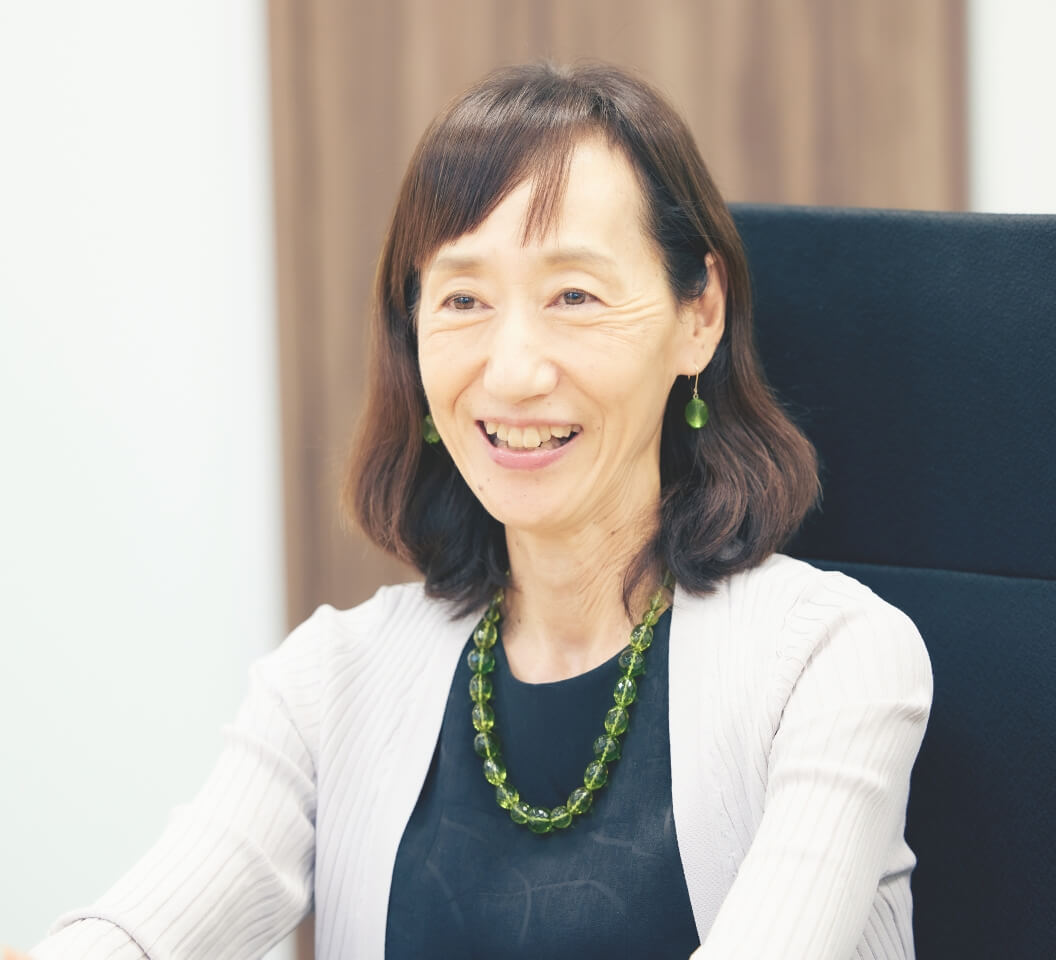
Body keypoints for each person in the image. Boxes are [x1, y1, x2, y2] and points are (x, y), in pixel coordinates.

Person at [18, 61, 932, 959]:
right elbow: (139, 937)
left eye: (573, 296)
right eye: (462, 299)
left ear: (699, 316)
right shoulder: (330, 685)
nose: (513, 371)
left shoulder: (829, 662)